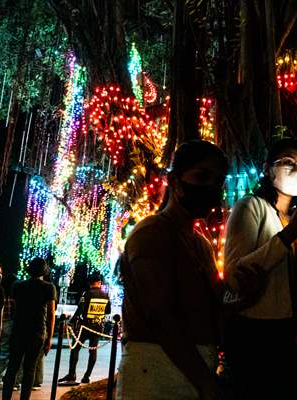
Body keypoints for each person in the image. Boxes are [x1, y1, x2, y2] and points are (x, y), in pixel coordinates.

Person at [118, 140, 228, 400]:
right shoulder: (151, 232)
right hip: (157, 368)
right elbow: (160, 315)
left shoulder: (200, 243)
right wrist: (204, 380)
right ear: (175, 181)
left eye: (218, 181)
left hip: (193, 365)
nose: (211, 188)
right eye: (202, 176)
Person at [224, 138, 297, 400]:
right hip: (256, 333)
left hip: (291, 332)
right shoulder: (251, 207)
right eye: (287, 162)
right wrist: (289, 235)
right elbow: (236, 272)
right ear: (267, 169)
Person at [2, 258, 56, 400]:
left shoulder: (18, 285)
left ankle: (5, 397)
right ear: (44, 270)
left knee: (12, 367)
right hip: (37, 331)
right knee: (30, 369)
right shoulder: (49, 287)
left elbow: (14, 307)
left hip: (18, 329)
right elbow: (51, 314)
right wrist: (49, 337)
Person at [59, 271, 111, 384]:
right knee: (93, 350)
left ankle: (72, 375)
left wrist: (70, 322)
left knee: (75, 349)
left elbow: (80, 311)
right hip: (98, 326)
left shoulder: (87, 294)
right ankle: (87, 376)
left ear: (90, 283)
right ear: (99, 283)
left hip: (85, 326)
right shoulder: (106, 295)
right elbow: (108, 311)